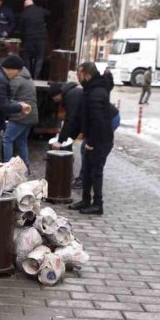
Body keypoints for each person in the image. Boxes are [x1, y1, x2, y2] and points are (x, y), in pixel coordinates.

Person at [64, 62, 114, 215]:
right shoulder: (90, 89)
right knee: (87, 170)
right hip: (94, 137)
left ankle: (98, 204)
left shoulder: (96, 92)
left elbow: (97, 120)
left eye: (79, 75)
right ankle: (86, 200)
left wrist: (91, 142)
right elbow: (83, 118)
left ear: (88, 75)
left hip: (100, 140)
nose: (78, 78)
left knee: (95, 172)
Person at [51, 79, 118, 189]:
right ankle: (88, 177)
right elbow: (78, 121)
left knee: (88, 148)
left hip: (109, 119)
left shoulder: (71, 96)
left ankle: (85, 179)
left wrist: (60, 140)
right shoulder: (72, 93)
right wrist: (68, 138)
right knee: (89, 148)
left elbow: (70, 120)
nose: (55, 100)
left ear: (58, 93)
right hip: (104, 119)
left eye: (54, 98)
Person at [3, 66, 38, 169]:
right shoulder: (28, 78)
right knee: (21, 141)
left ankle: (7, 167)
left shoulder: (17, 79)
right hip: (30, 114)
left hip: (21, 115)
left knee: (7, 139)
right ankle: (26, 168)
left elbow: (9, 96)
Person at [18, 0, 50, 79]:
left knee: (27, 57)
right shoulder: (40, 10)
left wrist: (22, 39)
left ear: (25, 5)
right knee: (40, 58)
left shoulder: (23, 14)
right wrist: (45, 24)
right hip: (41, 38)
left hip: (29, 39)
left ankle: (28, 76)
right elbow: (49, 14)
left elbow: (20, 29)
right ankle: (36, 76)